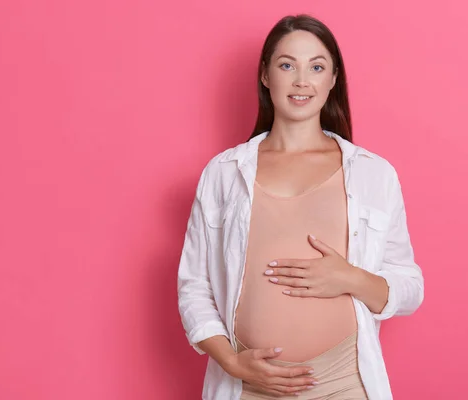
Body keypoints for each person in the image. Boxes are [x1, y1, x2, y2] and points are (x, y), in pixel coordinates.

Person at [177, 14, 424, 400]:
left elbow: (410, 287)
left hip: (345, 382)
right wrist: (230, 361)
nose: (301, 80)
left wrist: (349, 278)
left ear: (333, 78)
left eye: (317, 66)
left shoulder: (373, 175)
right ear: (265, 75)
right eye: (287, 64)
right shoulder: (224, 173)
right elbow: (194, 285)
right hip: (248, 382)